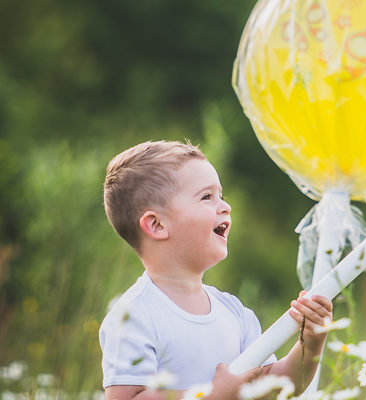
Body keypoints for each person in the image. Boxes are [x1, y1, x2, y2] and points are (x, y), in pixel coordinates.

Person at [99, 140, 332, 399]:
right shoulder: (133, 316)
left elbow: (276, 385)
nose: (225, 205)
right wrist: (214, 395)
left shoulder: (234, 312)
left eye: (220, 195)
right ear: (157, 225)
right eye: (207, 197)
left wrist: (309, 344)